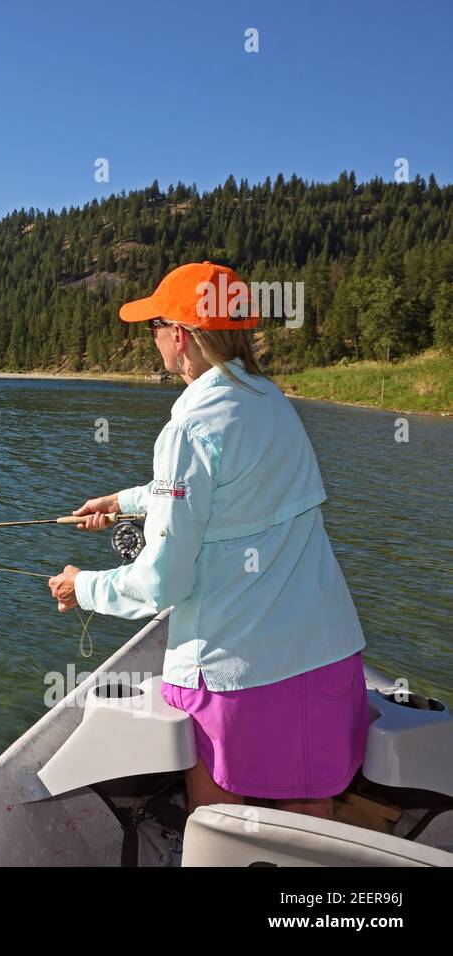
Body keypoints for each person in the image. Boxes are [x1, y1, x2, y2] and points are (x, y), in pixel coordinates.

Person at [47, 261, 369, 820]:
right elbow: (231, 496)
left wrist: (84, 587)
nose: (153, 339)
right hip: (326, 658)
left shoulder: (188, 429)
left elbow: (161, 583)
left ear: (180, 336)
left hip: (237, 679)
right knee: (310, 832)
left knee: (219, 826)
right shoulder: (273, 403)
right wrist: (123, 501)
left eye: (154, 327)